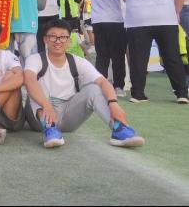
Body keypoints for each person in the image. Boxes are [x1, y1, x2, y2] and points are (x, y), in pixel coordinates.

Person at [24, 20, 145, 149]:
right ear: (45, 40)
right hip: (39, 117)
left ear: (69, 41)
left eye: (63, 37)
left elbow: (103, 82)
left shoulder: (78, 62)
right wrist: (46, 105)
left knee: (94, 88)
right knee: (34, 85)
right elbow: (29, 80)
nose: (58, 41)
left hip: (68, 117)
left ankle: (119, 129)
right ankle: (49, 129)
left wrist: (113, 103)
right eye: (53, 36)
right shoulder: (35, 59)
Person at [97, 0, 189, 104]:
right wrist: (176, 12)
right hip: (165, 17)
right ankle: (181, 93)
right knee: (172, 56)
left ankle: (138, 94)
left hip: (138, 19)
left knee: (138, 58)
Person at [89, 0, 127, 97]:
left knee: (102, 55)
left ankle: (100, 86)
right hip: (112, 20)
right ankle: (118, 86)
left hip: (98, 20)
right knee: (117, 56)